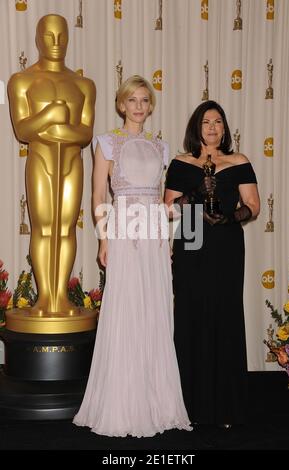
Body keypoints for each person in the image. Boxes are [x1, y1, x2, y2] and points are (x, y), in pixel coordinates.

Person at [73, 75, 191, 437]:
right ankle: (121, 404)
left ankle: (157, 402)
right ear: (121, 105)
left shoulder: (161, 145)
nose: (139, 106)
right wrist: (103, 240)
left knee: (154, 309)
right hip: (123, 229)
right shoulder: (106, 143)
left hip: (154, 233)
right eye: (132, 100)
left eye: (144, 100)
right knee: (125, 309)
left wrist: (169, 237)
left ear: (150, 106)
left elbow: (160, 196)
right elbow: (97, 198)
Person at [164, 100, 260, 427]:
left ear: (225, 127)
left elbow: (253, 205)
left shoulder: (239, 160)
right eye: (206, 122)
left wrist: (231, 217)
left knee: (225, 311)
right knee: (191, 311)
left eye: (218, 121)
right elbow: (168, 208)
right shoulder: (181, 162)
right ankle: (188, 404)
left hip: (227, 239)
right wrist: (193, 197)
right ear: (196, 127)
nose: (212, 127)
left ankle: (227, 405)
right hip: (192, 231)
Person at [8, 14, 96, 315]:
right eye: (49, 36)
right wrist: (52, 114)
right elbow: (22, 130)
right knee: (44, 227)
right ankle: (45, 297)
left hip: (72, 161)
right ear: (38, 38)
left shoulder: (83, 84)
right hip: (41, 160)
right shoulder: (22, 81)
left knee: (67, 228)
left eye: (62, 36)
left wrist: (50, 128)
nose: (56, 42)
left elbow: (85, 134)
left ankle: (61, 296)